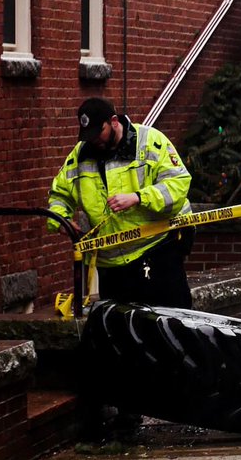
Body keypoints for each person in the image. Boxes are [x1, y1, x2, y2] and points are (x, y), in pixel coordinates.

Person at [47, 97, 194, 308]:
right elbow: (60, 194)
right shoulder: (81, 154)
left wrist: (138, 197)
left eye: (100, 131)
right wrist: (61, 219)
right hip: (111, 265)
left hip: (156, 250)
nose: (94, 139)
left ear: (114, 121)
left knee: (170, 322)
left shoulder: (150, 141)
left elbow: (178, 183)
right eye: (89, 135)